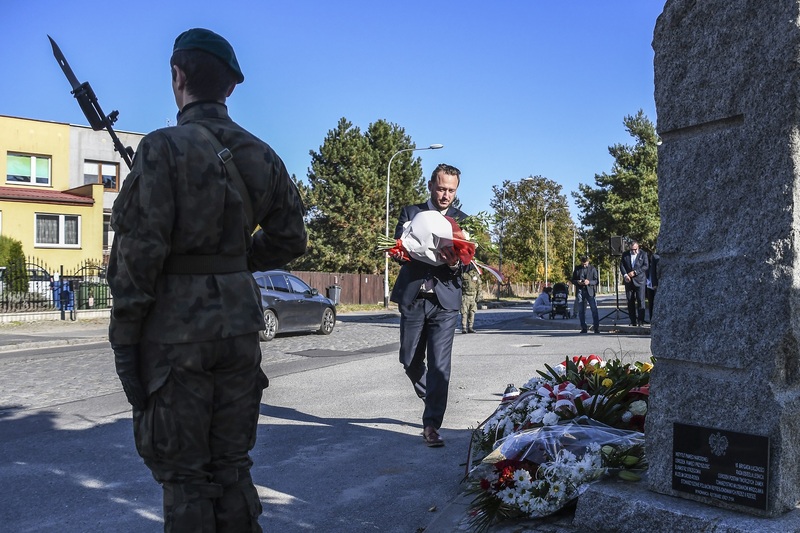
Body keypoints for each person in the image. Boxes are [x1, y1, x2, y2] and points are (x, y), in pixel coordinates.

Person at [107, 28, 307, 533]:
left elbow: (136, 257)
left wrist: (125, 340)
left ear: (177, 76)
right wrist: (236, 259)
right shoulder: (260, 154)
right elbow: (291, 238)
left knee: (186, 478)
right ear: (231, 87)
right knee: (232, 465)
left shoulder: (161, 149)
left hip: (176, 336)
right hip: (240, 327)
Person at [390, 163, 468, 448]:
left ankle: (431, 424)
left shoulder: (463, 220)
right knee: (408, 359)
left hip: (445, 302)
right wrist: (399, 252)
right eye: (441, 188)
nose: (446, 195)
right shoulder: (411, 213)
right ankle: (432, 393)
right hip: (414, 297)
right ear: (430, 186)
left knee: (440, 366)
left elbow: (467, 265)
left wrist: (456, 261)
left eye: (451, 190)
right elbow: (399, 247)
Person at [620, 240, 649, 326]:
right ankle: (633, 321)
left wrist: (635, 272)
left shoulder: (643, 254)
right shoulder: (625, 255)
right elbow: (622, 265)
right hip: (629, 281)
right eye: (632, 249)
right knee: (630, 301)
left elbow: (646, 266)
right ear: (629, 248)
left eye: (635, 249)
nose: (634, 251)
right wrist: (625, 275)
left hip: (640, 281)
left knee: (641, 301)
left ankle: (641, 320)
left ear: (638, 247)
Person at [571, 255, 600, 334]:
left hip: (590, 291)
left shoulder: (593, 269)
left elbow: (596, 281)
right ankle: (583, 327)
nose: (584, 265)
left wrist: (589, 282)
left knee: (594, 310)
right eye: (583, 264)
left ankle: (596, 328)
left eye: (585, 264)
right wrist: (577, 282)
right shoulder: (577, 268)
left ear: (588, 262)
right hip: (580, 290)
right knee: (581, 310)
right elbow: (573, 279)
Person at [460, 266, 481, 333]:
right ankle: (464, 327)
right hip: (465, 296)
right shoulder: (463, 274)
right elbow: (459, 286)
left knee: (472, 312)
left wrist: (479, 296)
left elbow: (479, 286)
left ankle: (470, 327)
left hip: (473, 297)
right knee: (464, 312)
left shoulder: (476, 275)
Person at [646, 248, 660, 323]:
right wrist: (654, 284)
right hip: (654, 285)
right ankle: (652, 320)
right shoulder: (655, 256)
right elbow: (652, 271)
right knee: (652, 303)